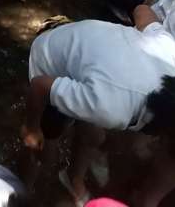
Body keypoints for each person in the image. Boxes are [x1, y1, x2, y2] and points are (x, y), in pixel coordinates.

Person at [22, 11, 175, 206]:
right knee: (47, 145)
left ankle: (73, 178)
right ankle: (26, 186)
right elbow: (39, 85)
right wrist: (31, 128)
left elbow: (142, 10)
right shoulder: (112, 107)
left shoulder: (170, 54)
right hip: (49, 60)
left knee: (94, 136)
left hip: (83, 44)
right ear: (159, 138)